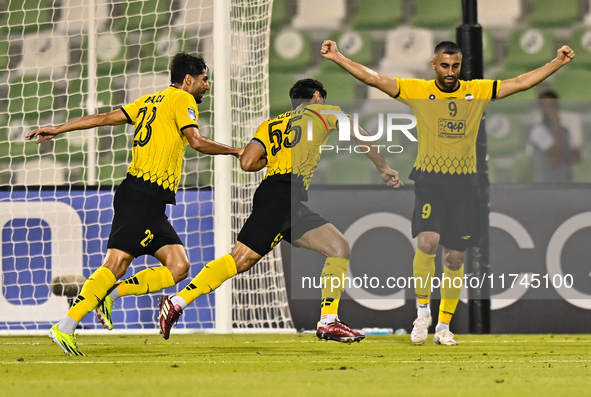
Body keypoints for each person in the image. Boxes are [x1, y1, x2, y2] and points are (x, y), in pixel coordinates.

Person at [321, 40, 575, 345]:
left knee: (454, 259)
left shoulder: (477, 90)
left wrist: (556, 63)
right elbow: (373, 78)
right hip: (431, 181)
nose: (451, 71)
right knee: (427, 242)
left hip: (465, 186)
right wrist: (338, 57)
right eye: (444, 65)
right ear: (433, 65)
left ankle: (443, 327)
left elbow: (520, 82)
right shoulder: (418, 90)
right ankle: (422, 314)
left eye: (456, 65)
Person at [26, 53, 243, 356]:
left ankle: (110, 296)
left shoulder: (149, 102)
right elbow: (196, 141)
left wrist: (59, 129)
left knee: (179, 266)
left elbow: (102, 118)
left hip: (149, 201)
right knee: (115, 264)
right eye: (205, 79)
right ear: (189, 79)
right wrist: (237, 150)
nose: (207, 86)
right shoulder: (182, 100)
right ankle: (65, 326)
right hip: (142, 194)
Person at [157, 78, 403, 342]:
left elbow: (248, 163)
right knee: (240, 259)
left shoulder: (270, 124)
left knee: (338, 248)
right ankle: (178, 301)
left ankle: (329, 321)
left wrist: (275, 156)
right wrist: (382, 167)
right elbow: (360, 134)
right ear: (318, 96)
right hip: (282, 195)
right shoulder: (325, 112)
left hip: (282, 196)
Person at [529, 90, 580, 183]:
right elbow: (556, 151)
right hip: (545, 185)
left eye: (552, 106)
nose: (550, 110)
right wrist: (557, 126)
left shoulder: (565, 131)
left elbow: (577, 156)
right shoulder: (537, 131)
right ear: (541, 109)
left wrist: (561, 159)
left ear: (558, 107)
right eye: (546, 106)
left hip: (566, 182)